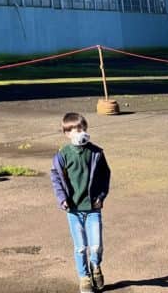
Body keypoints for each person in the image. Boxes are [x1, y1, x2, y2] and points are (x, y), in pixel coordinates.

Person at [50, 112, 111, 292]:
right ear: (67, 133)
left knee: (96, 245)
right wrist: (62, 199)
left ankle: (95, 267)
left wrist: (101, 196)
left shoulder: (96, 153)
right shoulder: (62, 155)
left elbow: (105, 176)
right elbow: (56, 178)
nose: (80, 132)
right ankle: (84, 277)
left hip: (93, 207)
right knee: (80, 247)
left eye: (82, 128)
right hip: (74, 209)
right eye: (75, 130)